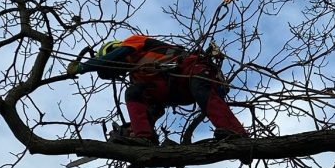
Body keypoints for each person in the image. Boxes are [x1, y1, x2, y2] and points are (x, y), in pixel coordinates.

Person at [71, 35, 249, 146]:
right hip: (176, 92)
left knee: (202, 90)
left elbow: (115, 56)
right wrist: (133, 129)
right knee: (132, 93)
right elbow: (154, 109)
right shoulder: (138, 77)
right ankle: (144, 138)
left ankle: (237, 134)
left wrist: (83, 67)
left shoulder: (133, 42)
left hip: (191, 71)